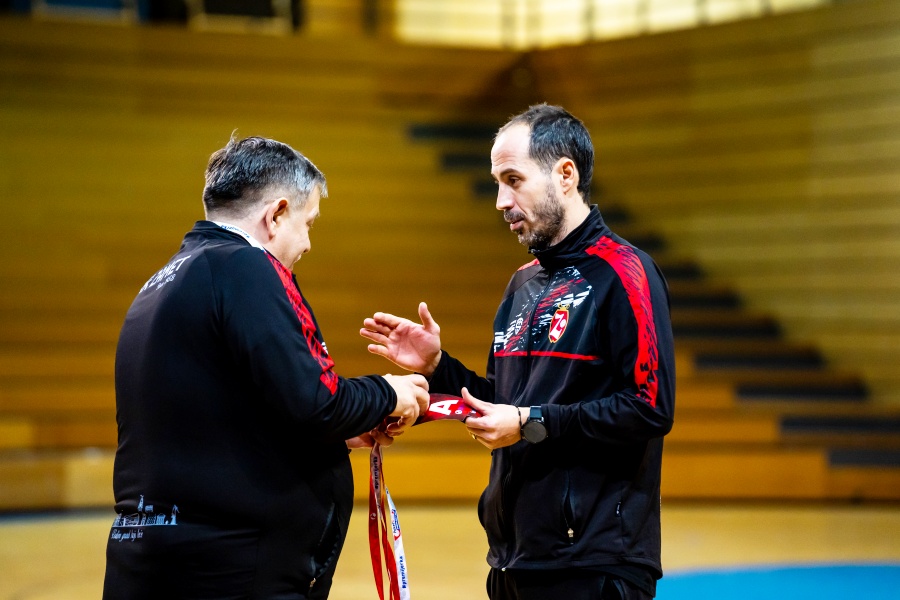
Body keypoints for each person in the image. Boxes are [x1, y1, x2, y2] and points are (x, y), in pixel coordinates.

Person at [361, 104, 675, 600]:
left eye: (513, 180)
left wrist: (531, 421)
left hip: (594, 563)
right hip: (514, 560)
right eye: (496, 183)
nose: (501, 201)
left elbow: (649, 408)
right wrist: (438, 368)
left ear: (565, 175)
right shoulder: (522, 284)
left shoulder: (626, 273)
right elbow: (505, 405)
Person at [103, 135, 429, 600]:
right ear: (276, 215)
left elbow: (218, 422)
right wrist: (389, 392)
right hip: (227, 571)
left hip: (167, 559)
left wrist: (334, 434)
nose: (308, 244)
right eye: (308, 223)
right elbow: (317, 402)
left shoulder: (167, 279)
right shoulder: (244, 266)